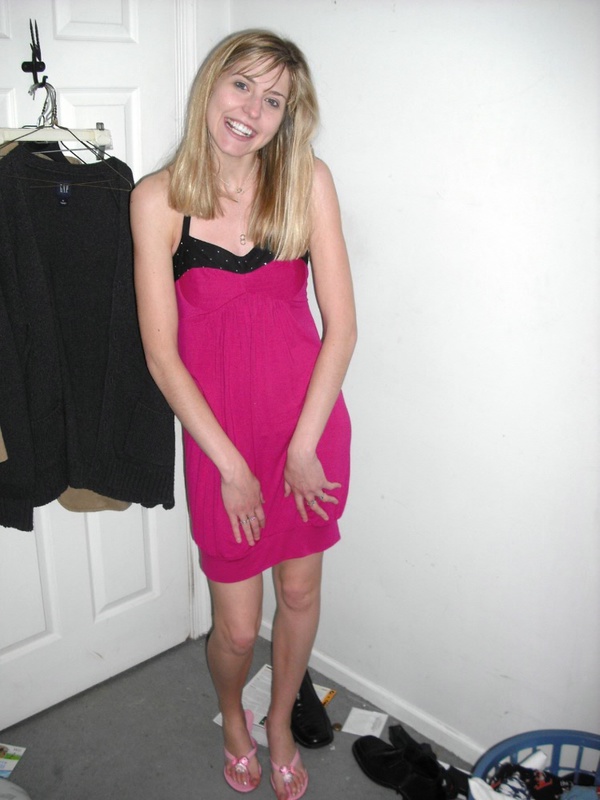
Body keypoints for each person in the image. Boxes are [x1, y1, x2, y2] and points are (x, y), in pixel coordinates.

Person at [130, 29, 356, 799]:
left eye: (274, 100)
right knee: (233, 625)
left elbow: (342, 329)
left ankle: (281, 721)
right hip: (219, 442)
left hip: (308, 432)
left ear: (288, 116)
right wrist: (229, 466)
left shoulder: (307, 181)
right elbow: (162, 356)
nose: (252, 110)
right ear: (211, 85)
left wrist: (304, 446)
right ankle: (234, 715)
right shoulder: (158, 200)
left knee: (299, 595)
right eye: (242, 86)